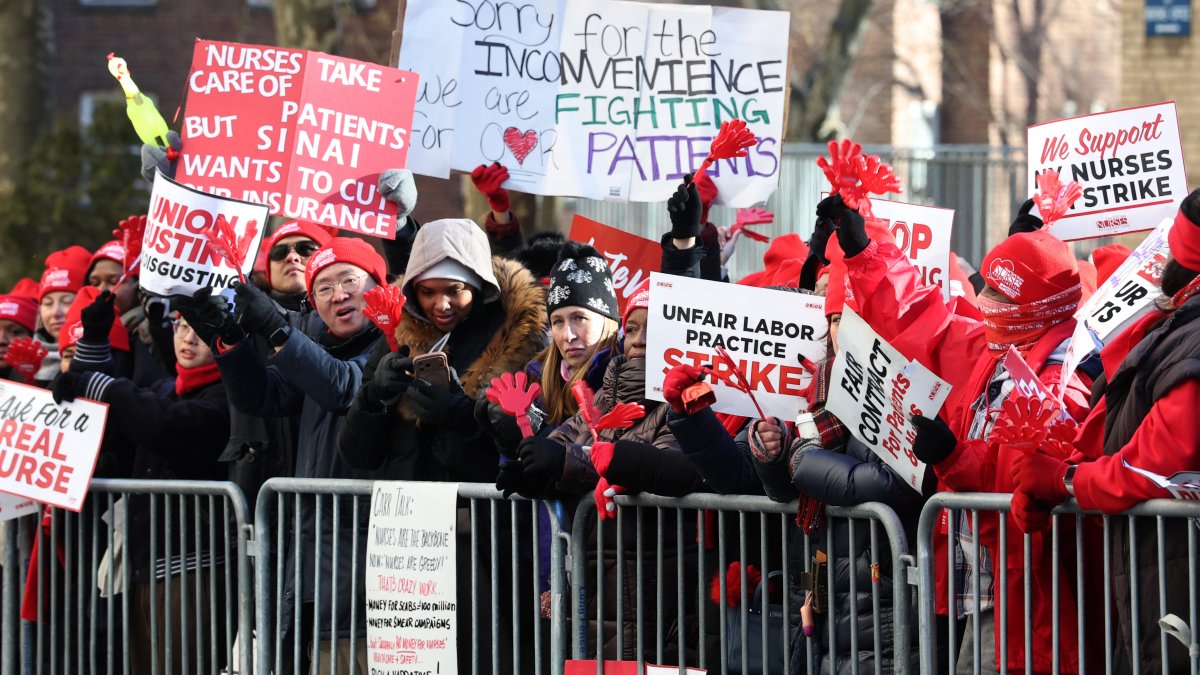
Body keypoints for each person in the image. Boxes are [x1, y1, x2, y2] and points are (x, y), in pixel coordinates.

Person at [822, 193, 1097, 675]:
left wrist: (951, 456)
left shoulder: (1061, 386)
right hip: (983, 586)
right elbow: (920, 322)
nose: (983, 301)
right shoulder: (994, 348)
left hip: (1024, 594)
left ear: (1034, 306)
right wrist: (865, 253)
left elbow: (1021, 488)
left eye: (999, 294)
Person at [180, 237, 389, 675]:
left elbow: (345, 388)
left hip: (369, 574)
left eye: (350, 281)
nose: (338, 296)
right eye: (324, 288)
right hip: (312, 567)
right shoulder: (320, 349)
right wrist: (229, 341)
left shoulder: (393, 345)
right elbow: (261, 396)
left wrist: (277, 329)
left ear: (379, 286)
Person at [1013, 189, 1200, 675]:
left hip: (1178, 584)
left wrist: (1065, 482)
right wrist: (1063, 477)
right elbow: (1122, 430)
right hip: (1157, 575)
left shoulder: (1190, 343)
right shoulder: (1174, 331)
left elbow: (1152, 467)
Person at [49, 313, 230, 675]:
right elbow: (113, 428)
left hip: (192, 569)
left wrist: (105, 388)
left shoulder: (228, 397)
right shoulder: (167, 388)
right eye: (182, 327)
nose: (188, 339)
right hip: (145, 566)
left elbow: (162, 424)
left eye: (201, 331)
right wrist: (91, 352)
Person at [35, 246, 91, 381]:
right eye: (48, 303)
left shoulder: (102, 360)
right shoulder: (24, 360)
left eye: (67, 302)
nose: (56, 313)